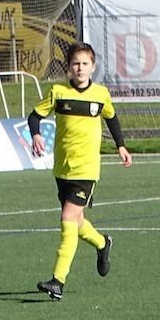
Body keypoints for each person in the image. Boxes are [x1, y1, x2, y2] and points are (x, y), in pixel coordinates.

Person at [28, 41, 132, 300]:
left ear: (93, 67)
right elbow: (34, 116)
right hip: (63, 168)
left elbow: (112, 118)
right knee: (76, 221)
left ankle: (58, 280)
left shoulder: (100, 94)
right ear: (68, 68)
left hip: (87, 170)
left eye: (85, 64)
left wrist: (121, 146)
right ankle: (102, 243)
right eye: (76, 64)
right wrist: (36, 135)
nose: (80, 68)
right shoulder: (58, 91)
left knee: (67, 218)